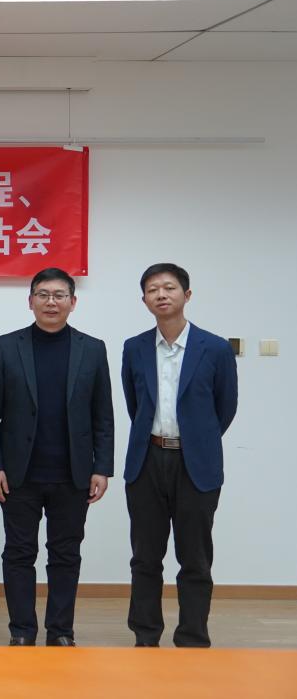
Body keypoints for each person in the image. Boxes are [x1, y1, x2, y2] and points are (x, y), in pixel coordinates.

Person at [0, 267, 114, 647]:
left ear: (73, 302)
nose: (51, 302)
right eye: (43, 294)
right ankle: (22, 630)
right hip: (18, 473)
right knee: (19, 553)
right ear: (30, 301)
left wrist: (102, 467)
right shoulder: (5, 347)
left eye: (59, 295)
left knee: (65, 554)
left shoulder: (93, 349)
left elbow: (103, 415)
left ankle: (60, 631)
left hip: (73, 473)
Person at [122, 263, 237, 648]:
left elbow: (225, 407)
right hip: (147, 461)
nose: (161, 294)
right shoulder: (135, 348)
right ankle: (145, 635)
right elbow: (135, 404)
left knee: (195, 558)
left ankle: (192, 637)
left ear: (186, 295)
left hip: (196, 465)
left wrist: (196, 440)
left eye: (169, 287)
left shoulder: (215, 348)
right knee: (145, 557)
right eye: (152, 289)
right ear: (144, 300)